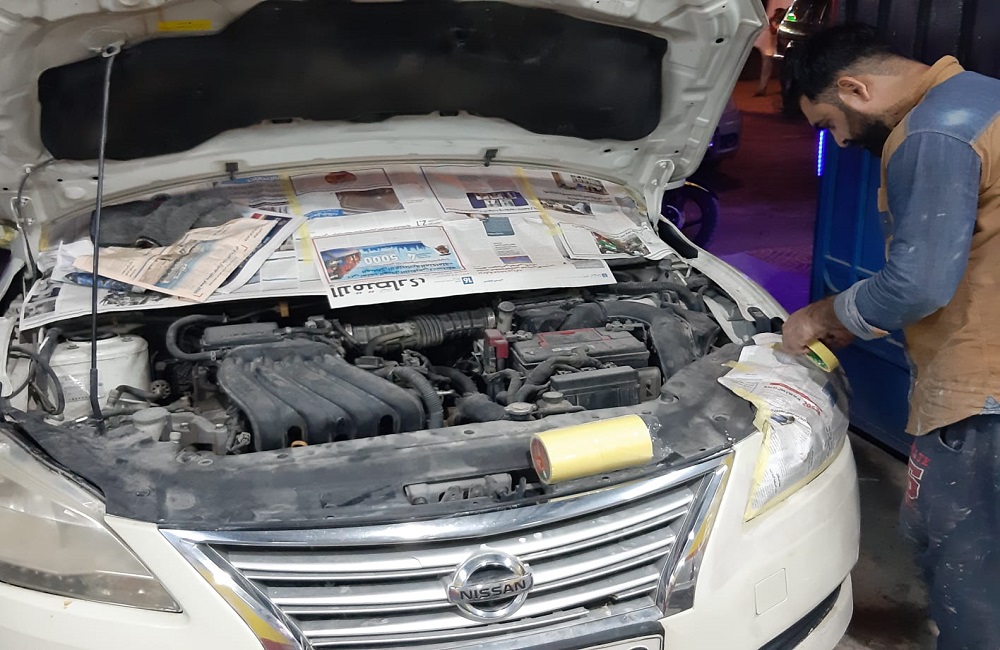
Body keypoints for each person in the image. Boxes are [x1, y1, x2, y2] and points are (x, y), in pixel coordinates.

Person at [780, 23, 1000, 649]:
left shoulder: (933, 132)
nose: (841, 141)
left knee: (971, 571)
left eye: (830, 123)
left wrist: (822, 316)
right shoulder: (986, 98)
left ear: (855, 88)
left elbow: (918, 283)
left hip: (984, 392)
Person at [753, 0, 791, 96]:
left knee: (785, 64)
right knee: (768, 61)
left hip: (783, 34)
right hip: (772, 34)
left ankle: (785, 88)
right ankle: (763, 88)